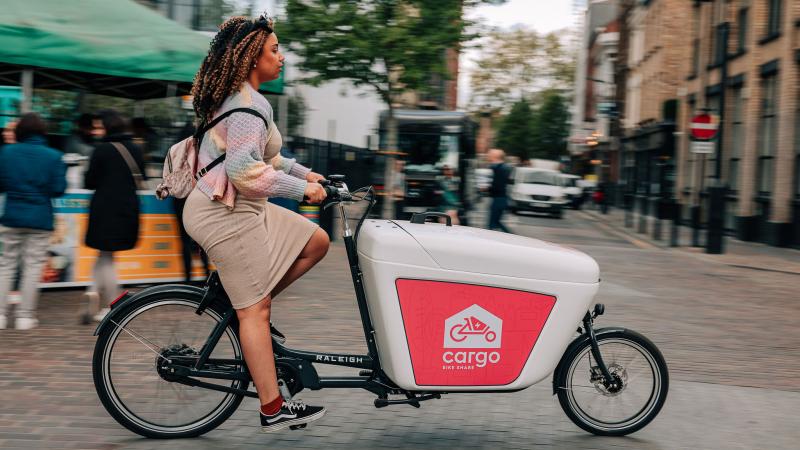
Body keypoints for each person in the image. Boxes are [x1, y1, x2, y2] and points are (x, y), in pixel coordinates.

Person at [183, 15, 329, 432]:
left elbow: (269, 159)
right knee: (256, 310)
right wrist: (300, 192)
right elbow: (245, 171)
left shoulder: (247, 99)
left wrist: (306, 175)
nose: (281, 57)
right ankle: (272, 408)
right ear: (251, 58)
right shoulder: (247, 105)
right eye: (274, 50)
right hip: (223, 212)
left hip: (245, 208)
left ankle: (245, 306)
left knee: (316, 241)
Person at [0, 113, 67, 329]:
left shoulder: (7, 152)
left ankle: (0, 315)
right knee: (32, 267)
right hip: (40, 219)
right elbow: (58, 189)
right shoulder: (53, 156)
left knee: (6, 264)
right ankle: (25, 317)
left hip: (12, 216)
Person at [83, 110, 146, 321]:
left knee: (106, 255)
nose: (95, 130)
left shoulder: (101, 150)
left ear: (107, 127)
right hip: (127, 207)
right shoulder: (136, 149)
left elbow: (89, 181)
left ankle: (115, 305)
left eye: (98, 126)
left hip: (104, 209)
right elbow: (142, 176)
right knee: (105, 254)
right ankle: (92, 290)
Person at [486, 148, 512, 232]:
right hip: (501, 199)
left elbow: (497, 185)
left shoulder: (499, 169)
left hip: (498, 199)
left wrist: (487, 189)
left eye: (489, 154)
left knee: (492, 224)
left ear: (495, 156)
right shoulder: (503, 167)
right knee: (495, 222)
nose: (487, 156)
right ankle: (511, 237)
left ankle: (512, 237)